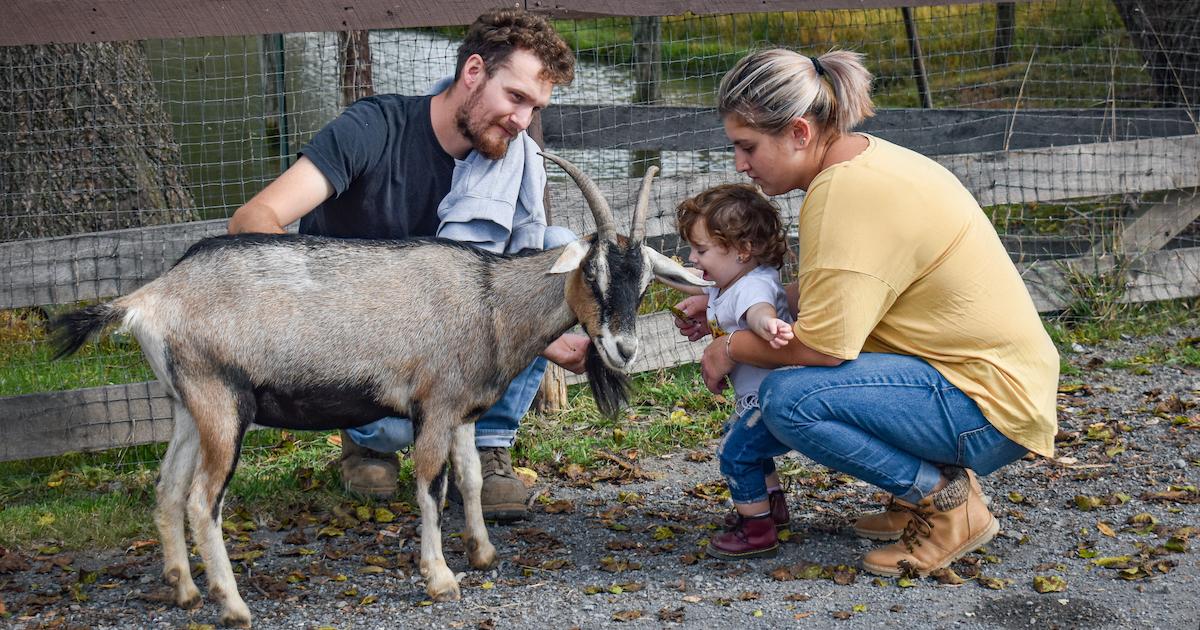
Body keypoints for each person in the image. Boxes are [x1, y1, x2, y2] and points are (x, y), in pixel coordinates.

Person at [673, 49, 1059, 573]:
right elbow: (835, 295)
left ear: (799, 133)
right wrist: (726, 303)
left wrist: (728, 345)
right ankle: (912, 501)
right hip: (996, 388)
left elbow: (823, 348)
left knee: (787, 399)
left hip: (985, 407)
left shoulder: (843, 193)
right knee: (801, 384)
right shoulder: (869, 161)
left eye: (748, 146)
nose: (740, 164)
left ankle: (947, 504)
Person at [228, 8, 587, 521]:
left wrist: (550, 331)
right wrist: (335, 300)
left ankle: (486, 445)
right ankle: (368, 444)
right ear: (473, 72)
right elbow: (252, 219)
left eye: (536, 107)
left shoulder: (516, 161)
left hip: (449, 352)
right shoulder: (374, 128)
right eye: (516, 98)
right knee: (398, 427)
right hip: (362, 350)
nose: (523, 122)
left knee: (560, 251)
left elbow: (499, 295)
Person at [671, 184, 795, 559]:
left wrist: (767, 324)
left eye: (702, 250)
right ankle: (772, 505)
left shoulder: (752, 287)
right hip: (755, 399)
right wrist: (705, 312)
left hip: (772, 400)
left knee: (735, 452)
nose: (693, 259)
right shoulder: (732, 284)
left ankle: (756, 528)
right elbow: (728, 311)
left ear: (742, 250)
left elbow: (757, 309)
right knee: (743, 443)